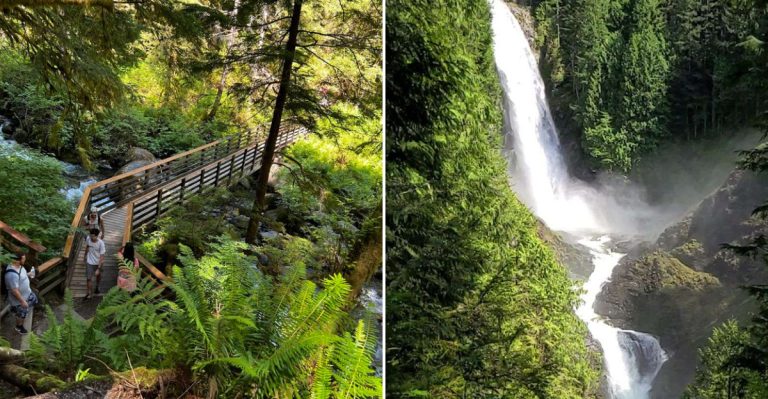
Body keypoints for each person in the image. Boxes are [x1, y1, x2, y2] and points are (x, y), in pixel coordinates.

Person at [4, 253, 38, 334]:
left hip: (27, 293)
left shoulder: (20, 267)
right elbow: (14, 290)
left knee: (34, 300)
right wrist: (22, 301)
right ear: (17, 261)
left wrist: (29, 274)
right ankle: (19, 327)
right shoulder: (11, 275)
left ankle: (20, 310)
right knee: (21, 314)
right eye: (23, 259)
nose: (25, 260)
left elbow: (20, 276)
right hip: (19, 300)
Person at [83, 228, 105, 300]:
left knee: (98, 276)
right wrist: (85, 255)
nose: (91, 237)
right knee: (88, 278)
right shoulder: (88, 239)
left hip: (98, 262)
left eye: (93, 236)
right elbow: (87, 246)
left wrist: (98, 268)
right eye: (90, 235)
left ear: (97, 236)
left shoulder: (101, 243)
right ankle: (89, 293)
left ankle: (97, 286)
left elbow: (102, 257)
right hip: (89, 262)